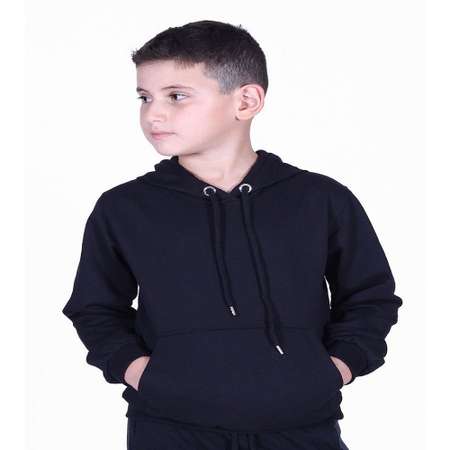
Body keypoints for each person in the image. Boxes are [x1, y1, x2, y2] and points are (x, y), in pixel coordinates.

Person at [61, 19, 403, 450]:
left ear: (246, 101)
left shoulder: (320, 199)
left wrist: (337, 367)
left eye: (176, 96)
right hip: (169, 428)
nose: (153, 114)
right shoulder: (124, 207)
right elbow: (95, 308)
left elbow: (370, 296)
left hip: (301, 427)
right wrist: (142, 373)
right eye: (144, 97)